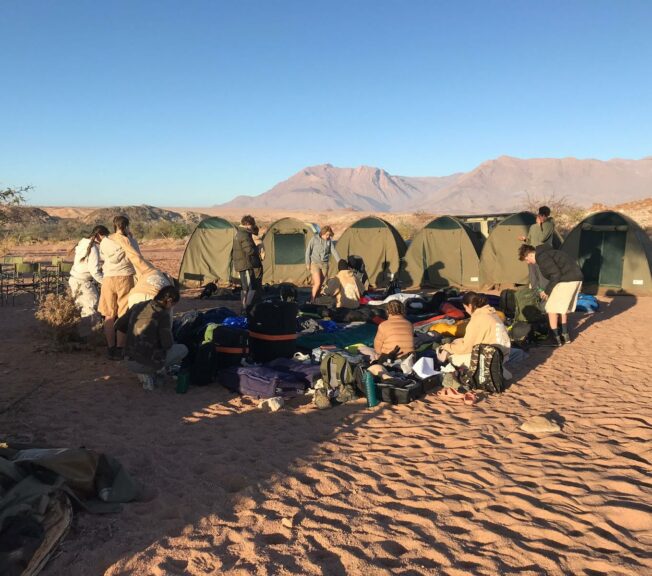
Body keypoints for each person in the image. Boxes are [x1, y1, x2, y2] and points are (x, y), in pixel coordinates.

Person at [124, 285, 188, 390]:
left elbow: (119, 325)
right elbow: (167, 344)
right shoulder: (163, 315)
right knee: (182, 349)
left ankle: (146, 373)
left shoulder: (138, 306)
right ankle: (152, 372)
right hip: (144, 361)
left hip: (128, 359)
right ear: (169, 301)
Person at [519, 244, 583, 346]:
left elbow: (555, 274)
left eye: (526, 260)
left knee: (551, 309)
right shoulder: (550, 253)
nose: (528, 262)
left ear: (530, 255)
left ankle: (555, 339)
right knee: (562, 307)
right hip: (575, 278)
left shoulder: (542, 257)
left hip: (567, 280)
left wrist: (547, 291)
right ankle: (565, 336)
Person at [437, 292, 511, 368]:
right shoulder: (491, 313)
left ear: (470, 306)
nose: (466, 311)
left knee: (452, 357)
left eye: (465, 308)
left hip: (493, 360)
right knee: (457, 343)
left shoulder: (478, 319)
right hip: (504, 354)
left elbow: (466, 348)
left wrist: (447, 347)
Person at [98, 216, 136, 359]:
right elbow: (136, 256)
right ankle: (120, 348)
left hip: (108, 278)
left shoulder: (105, 241)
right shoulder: (129, 241)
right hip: (125, 277)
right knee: (123, 314)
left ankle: (110, 348)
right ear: (126, 226)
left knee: (109, 314)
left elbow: (103, 257)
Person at [68, 225, 109, 319]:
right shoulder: (93, 248)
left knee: (81, 308)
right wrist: (105, 282)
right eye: (105, 237)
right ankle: (93, 332)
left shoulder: (83, 242)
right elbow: (94, 271)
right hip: (83, 282)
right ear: (99, 235)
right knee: (91, 309)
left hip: (74, 279)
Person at [233, 215, 263, 311]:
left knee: (246, 287)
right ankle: (247, 308)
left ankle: (245, 307)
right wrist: (257, 249)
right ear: (247, 224)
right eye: (251, 225)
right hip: (246, 264)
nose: (252, 227)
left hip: (243, 264)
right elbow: (249, 250)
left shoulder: (239, 233)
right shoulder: (244, 235)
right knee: (250, 288)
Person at [306, 225, 340, 302]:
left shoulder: (329, 241)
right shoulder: (314, 239)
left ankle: (317, 298)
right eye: (327, 234)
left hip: (324, 265)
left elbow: (334, 251)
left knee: (321, 284)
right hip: (315, 263)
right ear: (322, 233)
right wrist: (308, 263)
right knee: (317, 283)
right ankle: (312, 299)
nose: (328, 236)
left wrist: (340, 261)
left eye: (329, 235)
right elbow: (308, 251)